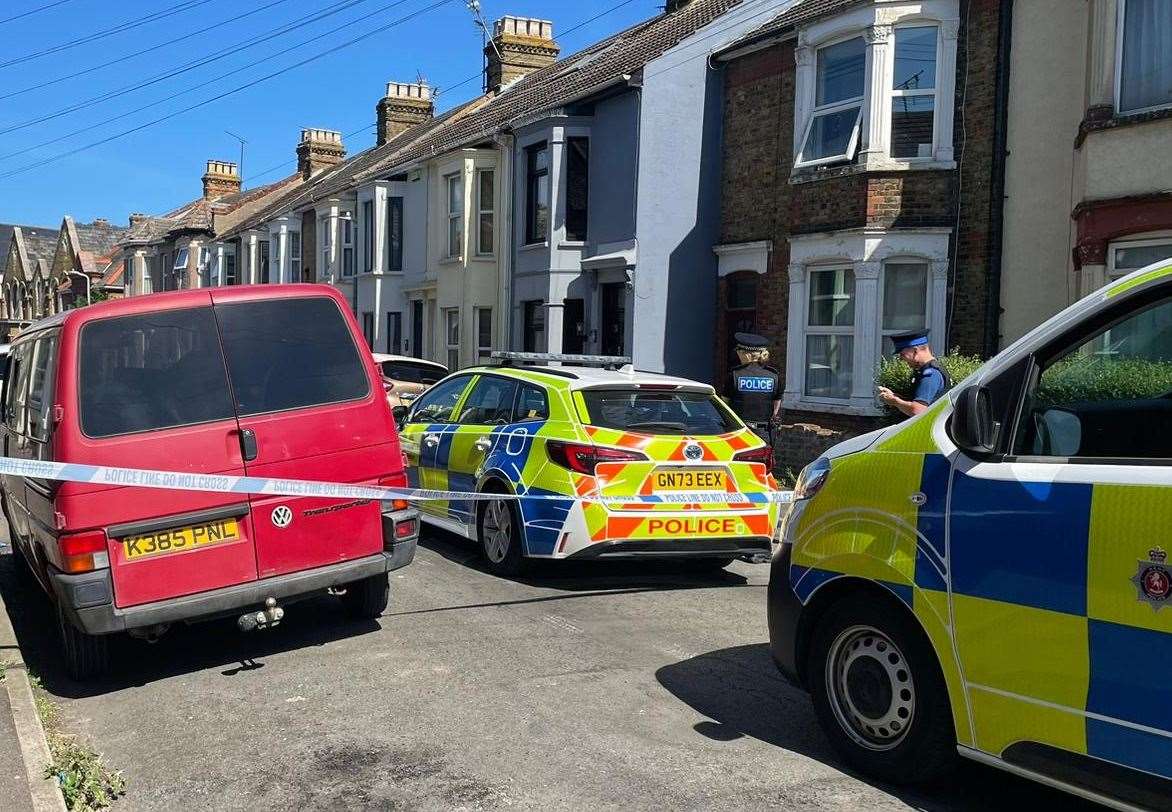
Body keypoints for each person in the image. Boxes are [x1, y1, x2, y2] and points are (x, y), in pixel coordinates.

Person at [877, 329, 951, 417]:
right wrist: (893, 396)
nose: (901, 358)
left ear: (915, 351)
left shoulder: (930, 375)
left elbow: (917, 410)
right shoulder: (927, 371)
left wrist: (894, 401)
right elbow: (917, 401)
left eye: (902, 354)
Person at [727, 332, 782, 443]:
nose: (737, 355)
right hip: (765, 433)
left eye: (738, 352)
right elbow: (777, 401)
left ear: (745, 354)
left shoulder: (735, 374)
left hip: (739, 432)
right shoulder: (773, 375)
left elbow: (725, 403)